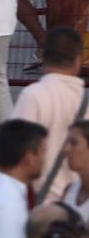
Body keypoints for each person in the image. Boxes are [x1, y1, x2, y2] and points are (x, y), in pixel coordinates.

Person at [12, 27, 87, 201]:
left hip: (40, 200)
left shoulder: (33, 95)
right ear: (78, 60)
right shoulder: (86, 100)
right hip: (78, 202)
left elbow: (16, 148)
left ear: (44, 58)